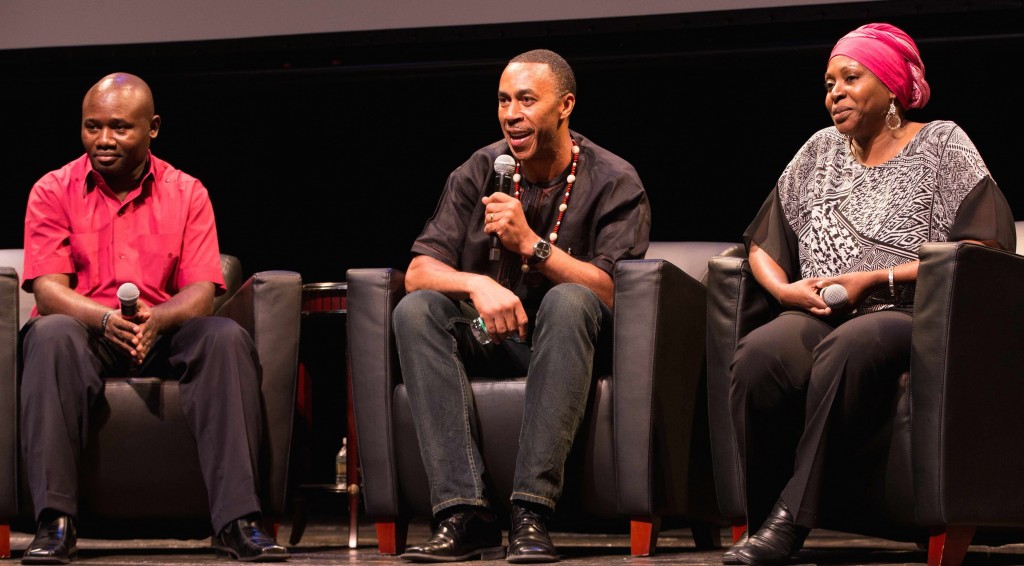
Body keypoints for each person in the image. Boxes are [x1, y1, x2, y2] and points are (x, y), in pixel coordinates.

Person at [722, 23, 1016, 566]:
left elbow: (980, 247)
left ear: (890, 87)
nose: (833, 91)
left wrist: (876, 280)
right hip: (820, 310)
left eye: (850, 77)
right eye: (829, 81)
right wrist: (785, 291)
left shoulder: (941, 144)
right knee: (760, 354)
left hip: (908, 313)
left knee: (849, 346)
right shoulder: (819, 150)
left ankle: (790, 522)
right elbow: (762, 240)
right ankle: (762, 518)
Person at [18, 73, 288, 564]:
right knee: (49, 332)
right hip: (85, 330)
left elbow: (202, 292)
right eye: (92, 127)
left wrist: (157, 320)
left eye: (119, 127)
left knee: (224, 337)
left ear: (153, 127)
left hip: (166, 330)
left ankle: (237, 521)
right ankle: (54, 523)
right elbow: (49, 290)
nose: (103, 140)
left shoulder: (187, 193)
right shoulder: (52, 190)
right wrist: (104, 321)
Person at [392, 49, 650, 563]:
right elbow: (419, 271)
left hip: (573, 346)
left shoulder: (614, 180)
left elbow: (615, 291)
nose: (512, 114)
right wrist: (476, 286)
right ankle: (464, 514)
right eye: (504, 100)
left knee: (570, 299)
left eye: (527, 100)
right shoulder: (480, 170)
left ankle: (531, 512)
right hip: (494, 337)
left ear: (565, 106)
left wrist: (532, 243)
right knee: (416, 310)